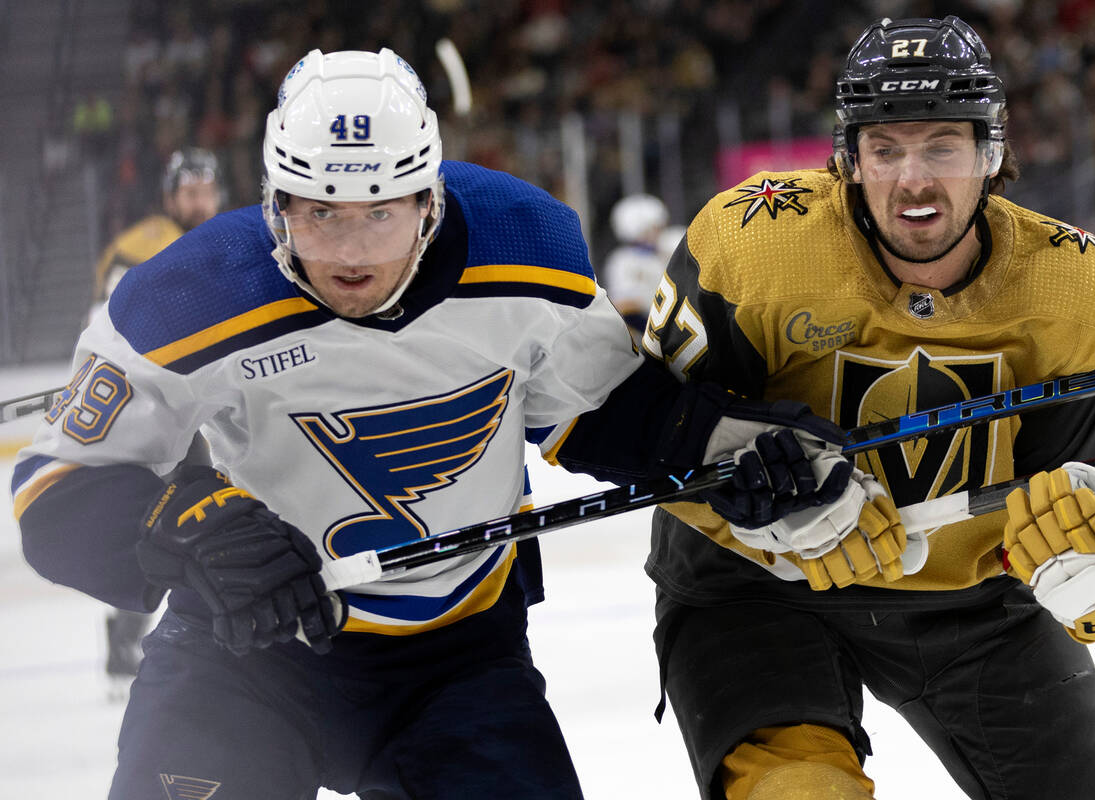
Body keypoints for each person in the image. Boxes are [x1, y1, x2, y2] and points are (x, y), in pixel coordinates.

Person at [12, 48, 860, 799]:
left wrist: (732, 448)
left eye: (381, 212)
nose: (351, 252)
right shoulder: (187, 293)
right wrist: (187, 524)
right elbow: (55, 493)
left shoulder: (527, 245)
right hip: (243, 655)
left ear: (430, 199)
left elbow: (601, 410)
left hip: (457, 659)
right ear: (274, 202)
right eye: (319, 212)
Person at [644, 16, 1095, 800]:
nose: (912, 179)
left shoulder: (1083, 292)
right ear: (848, 159)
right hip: (755, 588)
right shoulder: (753, 244)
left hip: (978, 605)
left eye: (942, 147)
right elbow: (653, 430)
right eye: (885, 149)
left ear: (991, 153)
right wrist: (746, 503)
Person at [89, 146, 223, 692]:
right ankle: (129, 636)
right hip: (157, 412)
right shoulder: (137, 247)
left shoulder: (231, 239)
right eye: (188, 191)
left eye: (206, 189)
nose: (199, 200)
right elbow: (109, 328)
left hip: (212, 405)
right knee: (175, 524)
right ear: (169, 196)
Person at [91, 147, 222, 316]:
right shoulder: (142, 246)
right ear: (170, 199)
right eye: (191, 194)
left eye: (208, 193)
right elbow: (107, 321)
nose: (200, 204)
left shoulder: (223, 242)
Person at [603, 192, 672, 333]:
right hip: (645, 329)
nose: (658, 232)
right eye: (653, 227)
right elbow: (624, 305)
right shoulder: (622, 261)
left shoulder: (669, 247)